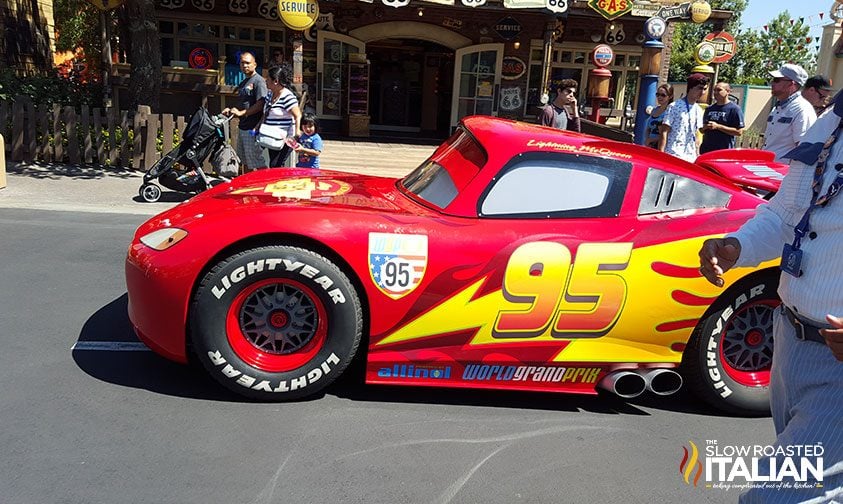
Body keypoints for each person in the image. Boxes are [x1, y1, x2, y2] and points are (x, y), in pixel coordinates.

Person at [698, 94, 843, 504]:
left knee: (777, 497)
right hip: (791, 340)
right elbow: (786, 213)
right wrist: (737, 246)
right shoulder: (830, 120)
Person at [227, 66, 302, 168]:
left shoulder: (287, 97)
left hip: (286, 137)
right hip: (271, 134)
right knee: (269, 161)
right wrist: (257, 127)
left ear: (275, 81)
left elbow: (297, 115)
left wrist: (297, 132)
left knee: (276, 164)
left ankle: (277, 182)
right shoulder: (270, 95)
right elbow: (266, 113)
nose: (265, 80)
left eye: (268, 78)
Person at [222, 52, 268, 173]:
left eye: (247, 63)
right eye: (242, 63)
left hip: (253, 129)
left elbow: (261, 103)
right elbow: (242, 103)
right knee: (244, 161)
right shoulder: (243, 83)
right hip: (243, 127)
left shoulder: (259, 81)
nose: (245, 65)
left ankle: (266, 185)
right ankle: (247, 187)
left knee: (256, 161)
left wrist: (242, 113)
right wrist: (231, 110)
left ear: (254, 64)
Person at [763, 63, 816, 163]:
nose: (772, 83)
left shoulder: (802, 109)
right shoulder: (777, 107)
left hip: (784, 172)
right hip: (769, 167)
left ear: (792, 84)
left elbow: (803, 148)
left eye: (777, 80)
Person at [658, 73, 708, 162]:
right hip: (673, 154)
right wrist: (661, 155)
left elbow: (696, 135)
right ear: (691, 87)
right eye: (700, 88)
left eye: (704, 89)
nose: (702, 92)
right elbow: (664, 131)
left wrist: (697, 153)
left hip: (691, 157)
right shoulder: (674, 106)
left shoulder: (699, 110)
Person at [699, 81, 744, 154]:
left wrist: (718, 127)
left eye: (719, 90)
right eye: (714, 90)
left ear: (728, 91)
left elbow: (739, 132)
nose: (716, 92)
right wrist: (706, 127)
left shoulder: (734, 109)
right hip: (706, 150)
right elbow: (701, 130)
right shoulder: (709, 109)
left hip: (723, 151)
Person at [645, 83, 673, 148]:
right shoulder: (654, 110)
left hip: (662, 146)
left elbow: (669, 133)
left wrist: (652, 140)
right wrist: (647, 139)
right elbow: (648, 128)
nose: (659, 97)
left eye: (663, 95)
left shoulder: (670, 112)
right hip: (650, 145)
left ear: (670, 96)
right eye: (658, 94)